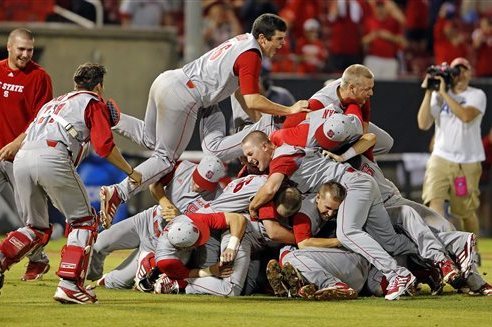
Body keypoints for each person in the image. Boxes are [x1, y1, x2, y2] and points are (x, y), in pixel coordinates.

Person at [100, 13, 309, 229]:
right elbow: (253, 100)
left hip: (167, 80)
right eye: (279, 39)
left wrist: (256, 124)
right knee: (165, 160)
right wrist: (289, 110)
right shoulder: (252, 55)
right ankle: (118, 192)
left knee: (150, 139)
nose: (282, 44)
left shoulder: (243, 42)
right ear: (263, 38)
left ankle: (113, 118)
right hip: (185, 95)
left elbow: (240, 94)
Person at [0, 63, 142, 304]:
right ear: (99, 86)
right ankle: (69, 285)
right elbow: (104, 146)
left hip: (22, 158)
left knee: (36, 228)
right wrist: (131, 171)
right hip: (53, 155)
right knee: (84, 222)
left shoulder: (53, 103)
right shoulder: (92, 102)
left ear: (75, 82)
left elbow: (29, 133)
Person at [241, 131, 419, 301]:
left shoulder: (280, 159)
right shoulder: (291, 152)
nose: (249, 160)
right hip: (358, 184)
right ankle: (433, 258)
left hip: (352, 187)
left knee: (346, 233)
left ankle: (398, 274)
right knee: (389, 241)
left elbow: (270, 189)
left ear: (265, 146)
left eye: (250, 153)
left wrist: (253, 205)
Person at [86, 155, 226, 289]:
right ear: (197, 168)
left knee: (116, 283)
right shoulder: (182, 167)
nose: (198, 186)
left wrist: (181, 218)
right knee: (98, 243)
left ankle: (106, 280)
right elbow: (154, 185)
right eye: (198, 180)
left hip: (164, 243)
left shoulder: (220, 197)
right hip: (148, 220)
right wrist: (164, 201)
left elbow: (205, 231)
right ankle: (90, 276)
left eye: (205, 185)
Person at [0, 28, 53, 282]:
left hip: (21, 157)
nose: (25, 54)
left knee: (29, 216)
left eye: (29, 50)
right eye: (21, 49)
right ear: (9, 47)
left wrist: (16, 144)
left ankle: (38, 260)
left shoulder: (40, 77)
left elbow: (39, 122)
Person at [417, 57, 487, 238]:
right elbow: (423, 124)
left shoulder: (476, 95)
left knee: (465, 212)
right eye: (457, 69)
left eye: (465, 69)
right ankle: (439, 252)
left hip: (467, 162)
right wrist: (429, 91)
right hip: (440, 156)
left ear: (470, 73)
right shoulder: (438, 95)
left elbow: (465, 116)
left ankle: (472, 250)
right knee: (434, 202)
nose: (461, 73)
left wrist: (445, 94)